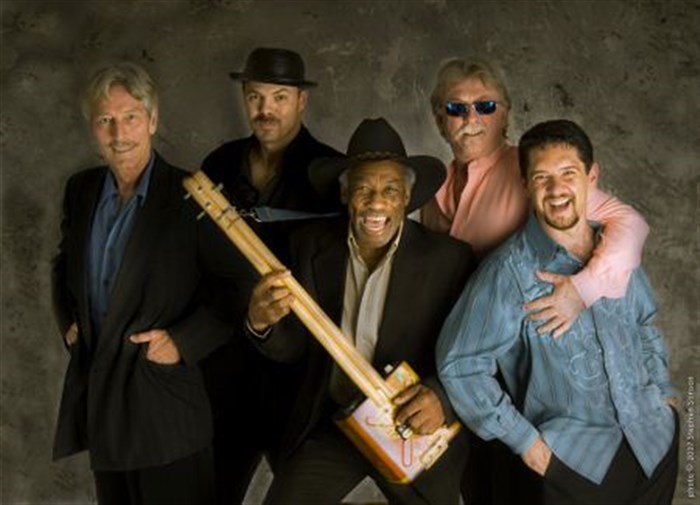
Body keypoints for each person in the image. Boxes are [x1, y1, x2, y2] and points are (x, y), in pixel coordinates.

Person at [437, 119, 679, 505]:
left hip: (653, 446)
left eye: (568, 173)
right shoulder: (508, 271)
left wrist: (665, 399)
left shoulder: (618, 250)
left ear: (591, 176)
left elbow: (644, 322)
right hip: (573, 464)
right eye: (541, 178)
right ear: (525, 185)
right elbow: (460, 364)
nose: (556, 190)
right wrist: (527, 444)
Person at [245, 118, 478, 504]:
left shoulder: (448, 260)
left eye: (390, 190)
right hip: (335, 422)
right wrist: (260, 323)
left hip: (412, 429)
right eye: (363, 189)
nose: (376, 202)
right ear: (345, 194)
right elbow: (295, 347)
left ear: (407, 196)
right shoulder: (309, 246)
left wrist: (442, 398)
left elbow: (473, 353)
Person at [51, 62, 254, 505]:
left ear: (153, 120)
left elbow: (239, 285)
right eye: (105, 120)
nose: (118, 133)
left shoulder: (191, 195)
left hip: (165, 405)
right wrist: (70, 323)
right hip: (104, 404)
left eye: (130, 117)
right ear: (93, 128)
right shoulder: (80, 190)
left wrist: (183, 342)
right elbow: (63, 265)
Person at [199, 47, 342, 503]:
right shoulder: (219, 165)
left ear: (302, 101)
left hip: (298, 372)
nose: (266, 109)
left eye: (279, 97)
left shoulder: (332, 173)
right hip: (226, 362)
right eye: (256, 97)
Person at [423, 59, 649, 336]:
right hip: (452, 335)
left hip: (525, 334)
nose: (471, 118)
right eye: (456, 108)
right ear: (440, 121)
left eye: (486, 106)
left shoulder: (536, 172)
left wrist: (584, 290)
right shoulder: (432, 189)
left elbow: (631, 224)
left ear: (504, 115)